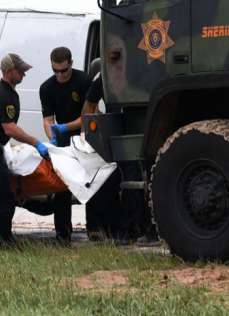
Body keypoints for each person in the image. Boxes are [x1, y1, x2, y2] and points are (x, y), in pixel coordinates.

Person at [0, 53, 49, 254]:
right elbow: (10, 129)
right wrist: (36, 142)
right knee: (5, 203)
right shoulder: (3, 94)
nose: (24, 74)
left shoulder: (5, 92)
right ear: (7, 72)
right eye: (20, 70)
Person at [81, 68, 151, 244]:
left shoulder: (139, 70)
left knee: (134, 178)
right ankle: (111, 227)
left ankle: (134, 229)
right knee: (108, 178)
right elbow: (88, 106)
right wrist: (85, 136)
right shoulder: (103, 76)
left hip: (137, 128)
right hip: (115, 129)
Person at [39, 47, 92, 246]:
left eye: (63, 70)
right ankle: (62, 236)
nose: (60, 75)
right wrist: (51, 136)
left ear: (71, 63)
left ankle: (95, 231)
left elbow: (87, 116)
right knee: (61, 188)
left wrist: (65, 127)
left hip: (84, 135)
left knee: (89, 185)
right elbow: (47, 119)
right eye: (56, 71)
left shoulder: (84, 81)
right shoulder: (46, 88)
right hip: (62, 140)